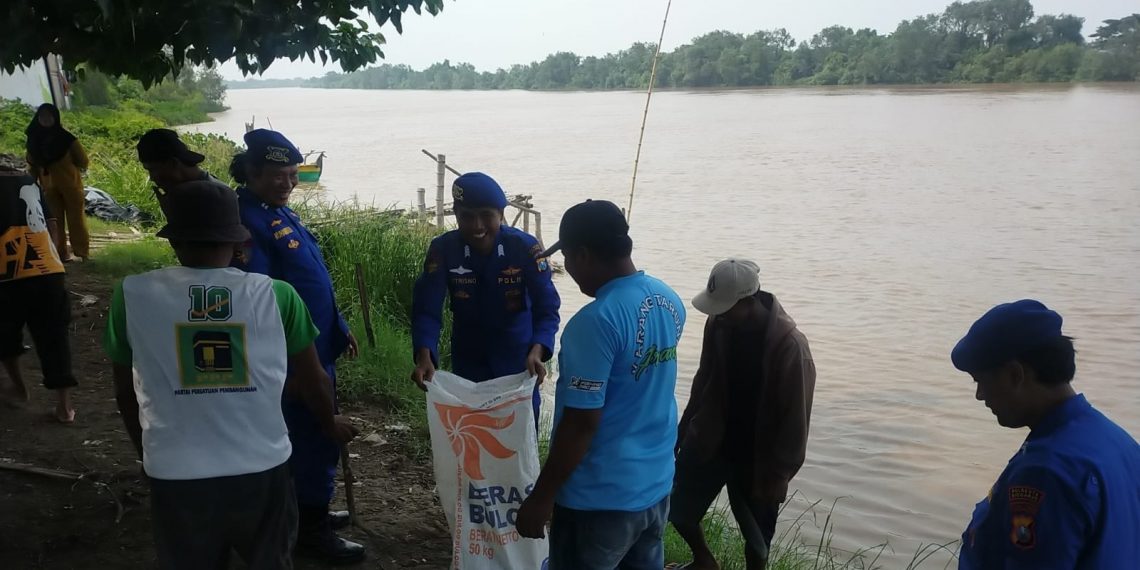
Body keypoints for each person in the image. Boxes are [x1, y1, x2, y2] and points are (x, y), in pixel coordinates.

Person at [104, 180, 357, 570]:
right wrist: (328, 422)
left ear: (174, 241)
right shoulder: (278, 295)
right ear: (240, 243)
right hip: (261, 467)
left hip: (176, 471)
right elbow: (314, 379)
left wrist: (150, 456)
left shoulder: (131, 294)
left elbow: (125, 393)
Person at [516, 199, 685, 570]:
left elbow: (581, 423)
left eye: (570, 261)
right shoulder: (669, 300)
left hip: (599, 501)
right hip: (655, 488)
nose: (572, 272)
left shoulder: (594, 323)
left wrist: (542, 497)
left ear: (583, 254)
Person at [230, 128, 364, 564]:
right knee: (311, 437)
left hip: (318, 344)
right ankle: (310, 529)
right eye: (277, 175)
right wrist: (286, 365)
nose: (288, 183)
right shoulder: (247, 220)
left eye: (292, 175)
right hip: (293, 357)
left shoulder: (277, 211)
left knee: (315, 437)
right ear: (251, 172)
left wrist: (340, 325)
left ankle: (310, 511)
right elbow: (260, 298)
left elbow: (312, 278)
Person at [952, 300, 1140, 569]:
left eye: (981, 381)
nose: (980, 395)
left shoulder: (1047, 470)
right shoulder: (1118, 442)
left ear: (1015, 375)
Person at [670, 259, 816, 570]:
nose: (716, 315)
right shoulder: (720, 323)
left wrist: (780, 475)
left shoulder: (791, 347)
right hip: (712, 439)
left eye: (724, 308)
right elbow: (704, 378)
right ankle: (704, 561)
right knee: (677, 509)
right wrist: (681, 432)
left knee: (757, 540)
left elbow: (796, 421)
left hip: (759, 457)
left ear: (748, 302)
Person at [410, 172, 560, 415]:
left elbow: (547, 308)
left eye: (486, 216)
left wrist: (538, 350)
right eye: (467, 217)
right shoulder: (444, 250)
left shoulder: (524, 248)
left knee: (519, 440)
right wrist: (424, 354)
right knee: (473, 437)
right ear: (456, 215)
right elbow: (427, 309)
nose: (477, 226)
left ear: (501, 215)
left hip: (519, 364)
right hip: (468, 364)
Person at [0, 153, 77, 422]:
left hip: (6, 273)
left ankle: (20, 390)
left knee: (6, 338)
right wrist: (54, 254)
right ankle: (65, 407)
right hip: (48, 271)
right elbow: (52, 222)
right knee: (54, 337)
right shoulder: (29, 182)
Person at [24, 103, 89, 262]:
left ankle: (82, 253)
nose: (45, 120)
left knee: (76, 220)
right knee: (54, 222)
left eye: (49, 116)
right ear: (37, 119)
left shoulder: (67, 139)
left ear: (55, 118)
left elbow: (83, 161)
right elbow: (32, 166)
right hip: (49, 189)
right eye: (42, 117)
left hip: (71, 187)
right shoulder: (34, 141)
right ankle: (60, 254)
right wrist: (31, 184)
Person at [137, 128, 229, 201]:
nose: (152, 178)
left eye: (152, 170)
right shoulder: (220, 192)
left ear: (173, 163)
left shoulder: (210, 198)